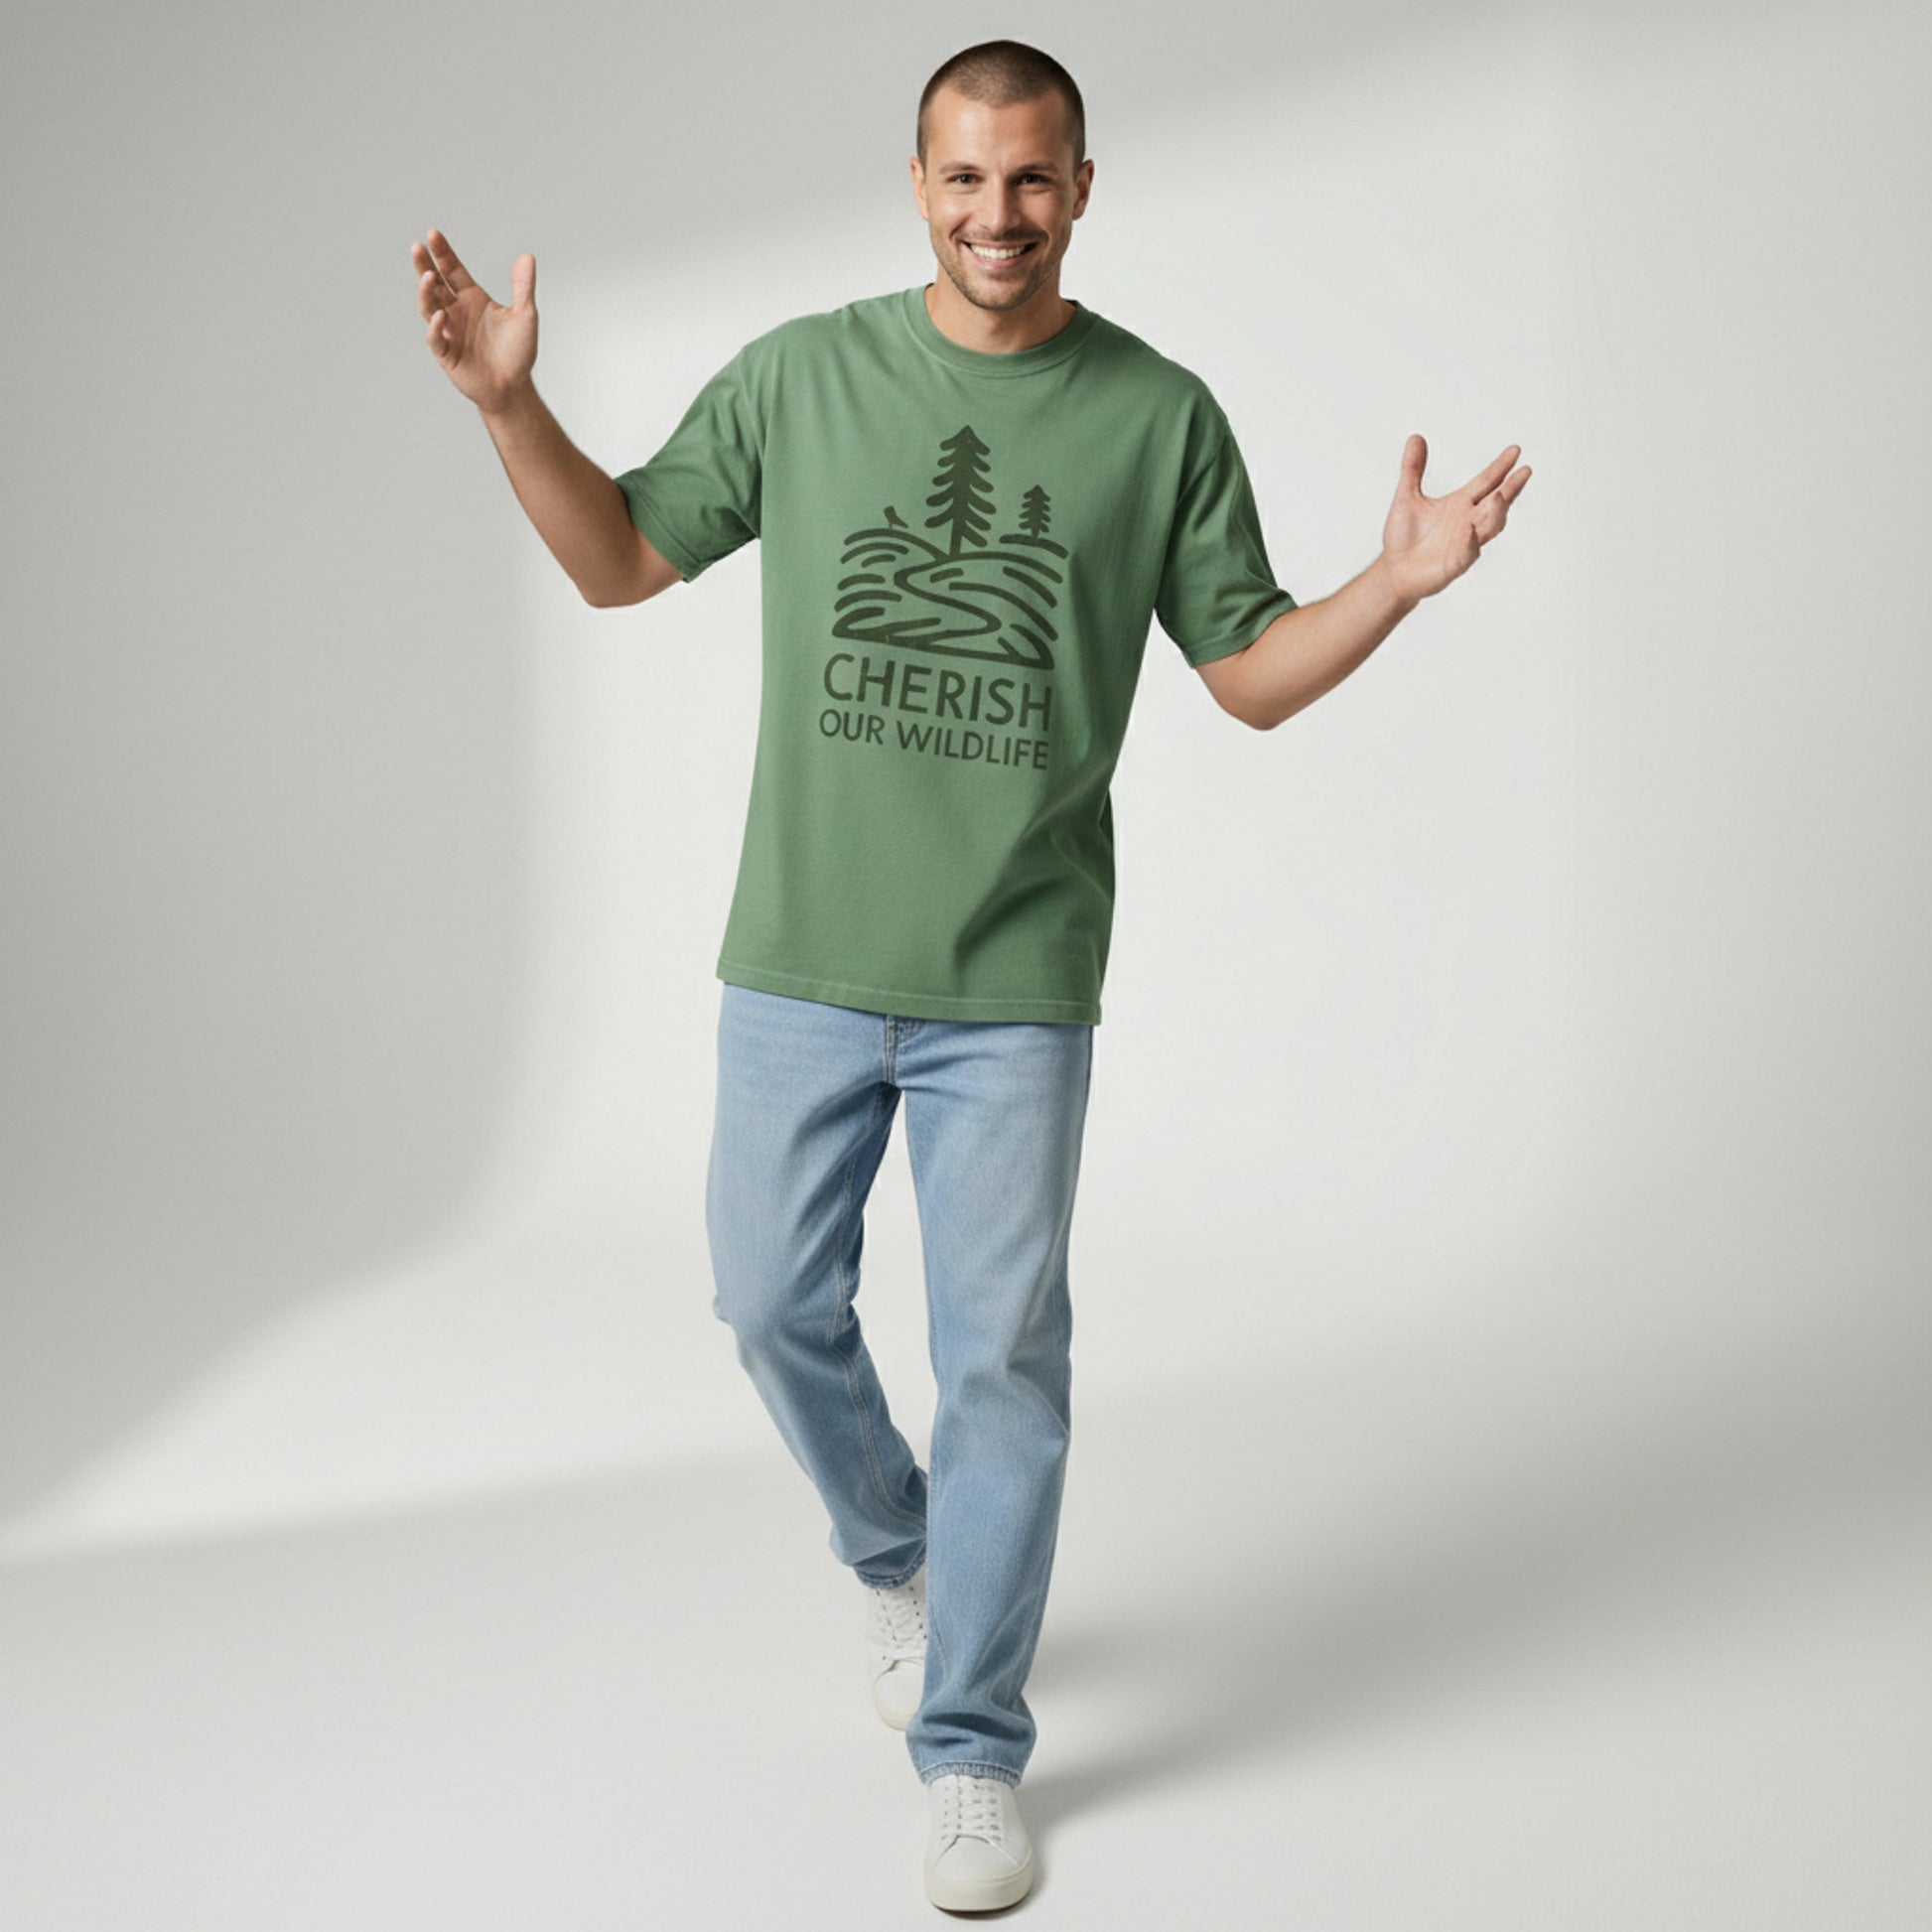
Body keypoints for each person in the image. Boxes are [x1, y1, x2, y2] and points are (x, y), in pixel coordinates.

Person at [412, 38, 1528, 1915]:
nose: (995, 216)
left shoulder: (1153, 416)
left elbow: (1243, 672)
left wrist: (1391, 584)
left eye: (1031, 181)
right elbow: (618, 563)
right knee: (767, 1297)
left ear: (1081, 188)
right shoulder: (803, 376)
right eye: (962, 179)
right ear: (913, 184)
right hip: (800, 954)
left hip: (1015, 978)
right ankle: (895, 1551)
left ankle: (972, 1746)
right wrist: (514, 414)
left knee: (1003, 1356)